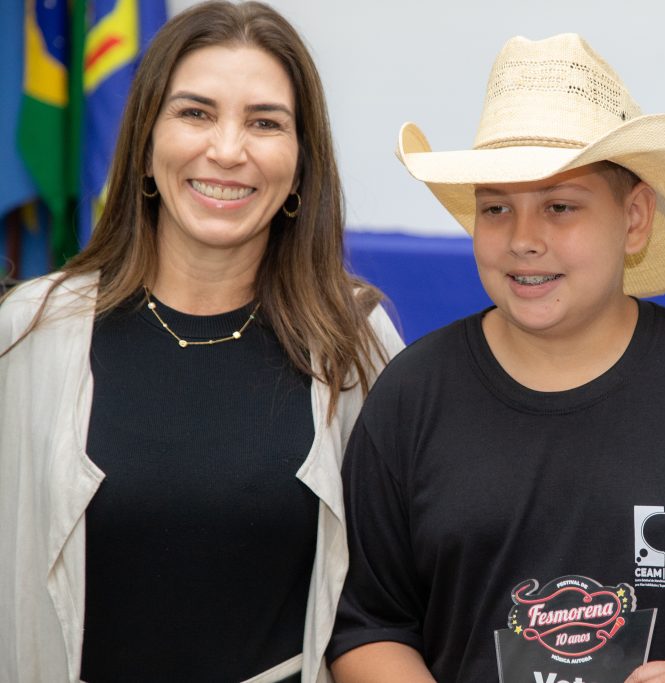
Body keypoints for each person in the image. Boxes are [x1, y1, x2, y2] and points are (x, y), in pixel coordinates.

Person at [328, 33, 665, 683]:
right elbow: (371, 625)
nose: (524, 240)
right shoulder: (410, 396)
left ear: (635, 219)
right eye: (496, 208)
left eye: (561, 206)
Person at [0, 2, 404, 681]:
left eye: (265, 122)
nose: (226, 148)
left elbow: (398, 599)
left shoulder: (355, 345)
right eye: (195, 113)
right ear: (146, 148)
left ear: (301, 165)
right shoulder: (28, 335)